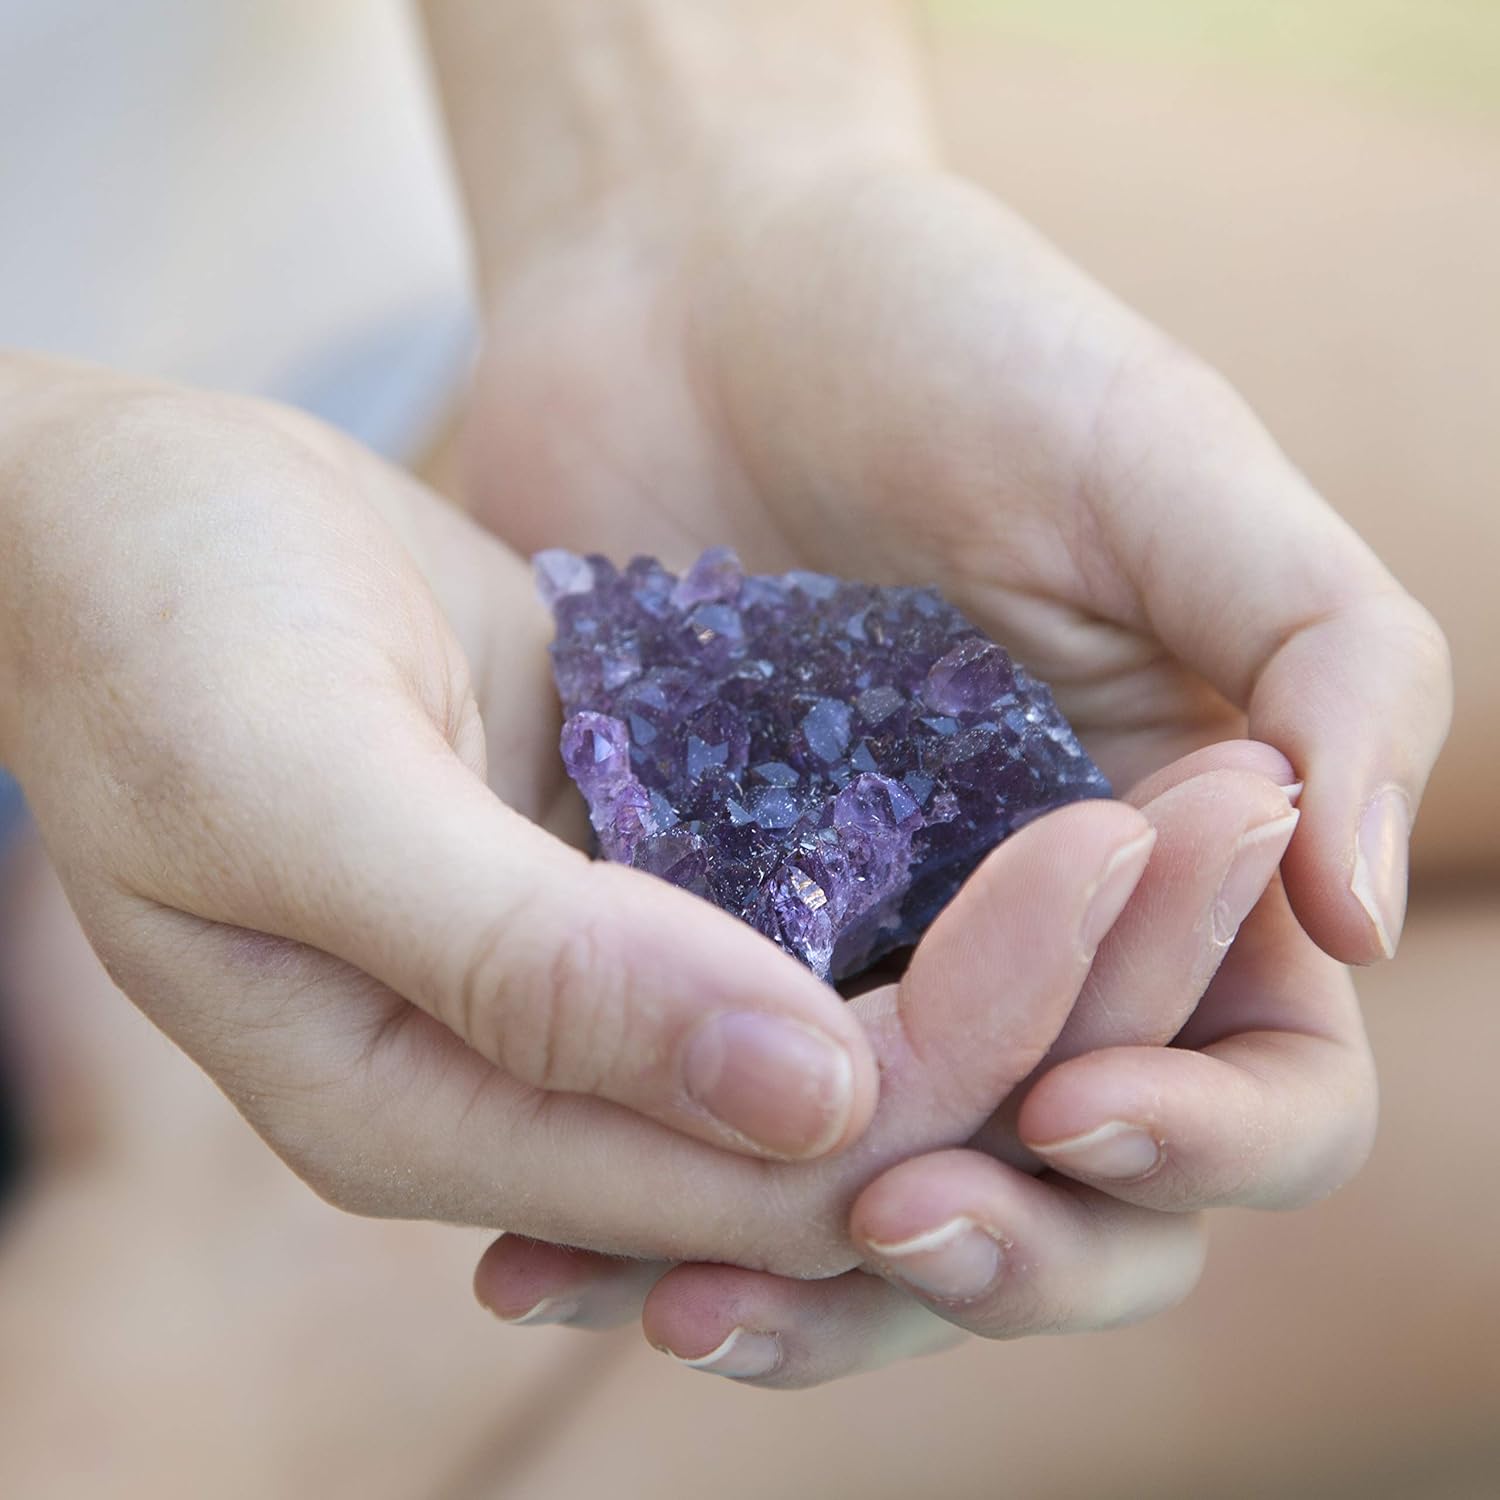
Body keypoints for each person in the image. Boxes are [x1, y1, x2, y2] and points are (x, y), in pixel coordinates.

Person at [0, 0, 1452, 1403]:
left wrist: (696, 179)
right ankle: (335, 1338)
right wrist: (38, 534)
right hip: (122, 535)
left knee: (1233, 1017)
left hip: (389, 270)